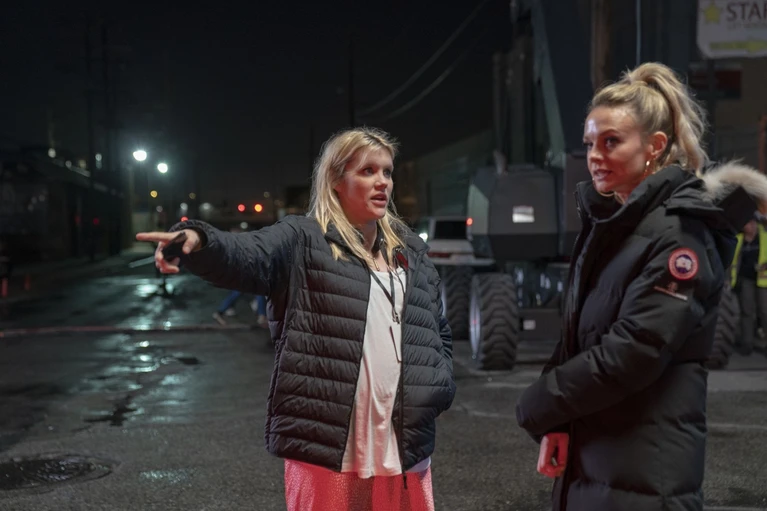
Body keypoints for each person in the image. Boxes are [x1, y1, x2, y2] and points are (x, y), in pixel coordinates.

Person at [137, 127, 456, 510]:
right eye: (367, 171)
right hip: (328, 447)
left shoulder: (411, 253)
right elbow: (244, 254)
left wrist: (436, 387)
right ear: (336, 180)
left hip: (405, 448)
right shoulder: (303, 240)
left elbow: (437, 330)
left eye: (387, 171)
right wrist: (197, 241)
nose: (382, 182)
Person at [515, 62, 767, 511]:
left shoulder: (680, 234)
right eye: (590, 143)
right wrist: (560, 424)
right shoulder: (616, 226)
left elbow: (634, 351)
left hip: (646, 476)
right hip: (602, 461)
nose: (595, 155)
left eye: (611, 141)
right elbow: (579, 339)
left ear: (655, 146)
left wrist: (540, 404)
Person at [730, 215, 767, 354]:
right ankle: (747, 343)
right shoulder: (739, 239)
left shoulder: (764, 237)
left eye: (753, 223)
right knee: (747, 311)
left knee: (764, 312)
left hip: (763, 280)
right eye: (748, 223)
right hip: (745, 280)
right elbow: (733, 261)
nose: (751, 226)